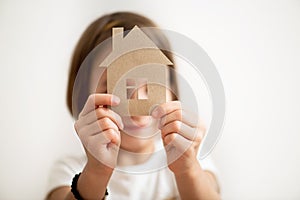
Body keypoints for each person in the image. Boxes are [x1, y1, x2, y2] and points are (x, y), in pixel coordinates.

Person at [46, 12, 220, 200]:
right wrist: (96, 172)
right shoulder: (68, 170)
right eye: (114, 86)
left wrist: (188, 169)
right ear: (82, 98)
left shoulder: (192, 160)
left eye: (152, 85)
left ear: (172, 92)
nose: (137, 112)